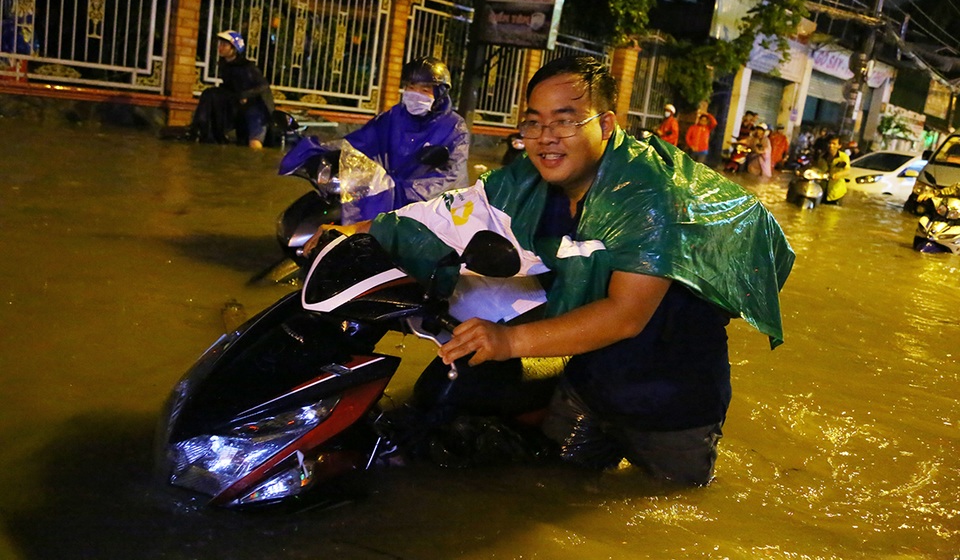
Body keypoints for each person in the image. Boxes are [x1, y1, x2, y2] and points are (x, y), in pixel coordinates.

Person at [306, 56, 794, 487]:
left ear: (605, 125)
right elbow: (451, 213)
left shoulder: (649, 194)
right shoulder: (532, 178)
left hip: (669, 404)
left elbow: (625, 316)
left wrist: (506, 342)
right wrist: (352, 234)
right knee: (550, 487)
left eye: (564, 122)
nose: (544, 139)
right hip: (586, 384)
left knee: (667, 512)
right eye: (533, 123)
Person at [339, 56, 470, 222]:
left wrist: (402, 191)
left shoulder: (454, 126)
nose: (415, 95)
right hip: (387, 199)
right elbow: (363, 140)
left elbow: (450, 176)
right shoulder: (394, 116)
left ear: (439, 94)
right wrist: (332, 152)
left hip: (432, 211)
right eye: (411, 87)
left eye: (424, 90)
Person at [189, 30, 275, 149]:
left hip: (257, 108)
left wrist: (245, 95)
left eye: (224, 45)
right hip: (240, 107)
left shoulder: (247, 66)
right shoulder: (225, 65)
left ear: (234, 48)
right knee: (210, 94)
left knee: (254, 144)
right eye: (220, 44)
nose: (220, 47)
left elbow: (263, 86)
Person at [815, 133, 850, 204]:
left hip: (836, 192)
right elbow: (817, 169)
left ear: (839, 146)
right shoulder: (822, 156)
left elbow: (847, 171)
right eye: (830, 143)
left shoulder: (843, 157)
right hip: (822, 190)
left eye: (834, 144)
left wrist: (837, 175)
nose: (831, 146)